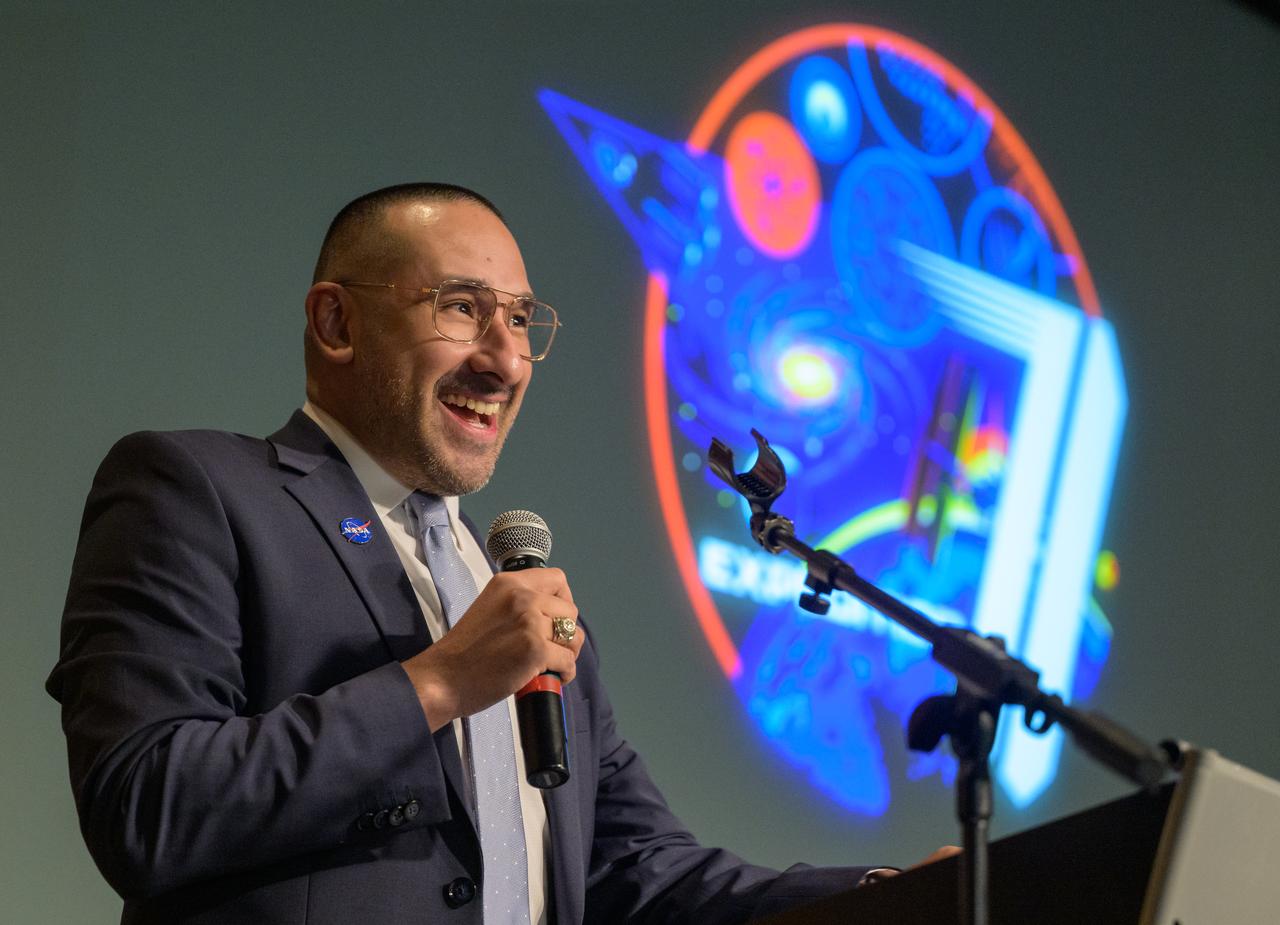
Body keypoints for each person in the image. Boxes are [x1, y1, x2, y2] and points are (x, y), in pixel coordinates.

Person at [48, 183, 943, 925]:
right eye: (463, 309)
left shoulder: (521, 601)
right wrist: (436, 685)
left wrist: (888, 899)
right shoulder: (196, 489)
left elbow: (640, 869)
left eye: (520, 320)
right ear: (336, 323)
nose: (507, 360)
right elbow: (146, 805)